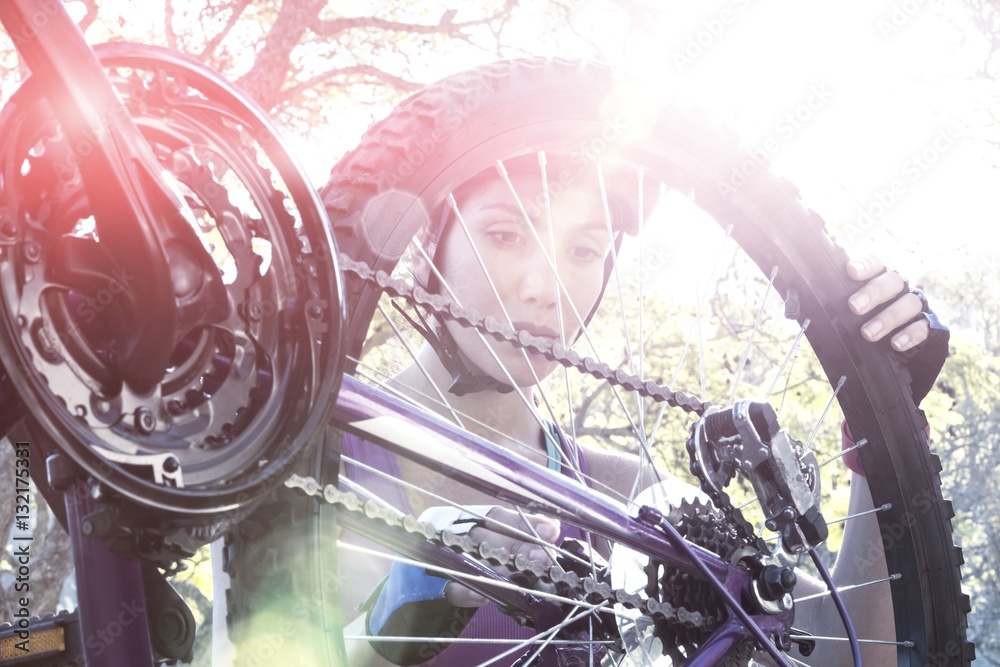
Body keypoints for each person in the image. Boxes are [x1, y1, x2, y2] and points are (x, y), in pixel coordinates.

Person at [336, 153, 948, 667]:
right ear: (426, 248)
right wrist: (398, 608)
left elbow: (854, 646)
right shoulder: (316, 452)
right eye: (504, 234)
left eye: (582, 250)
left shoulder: (620, 492)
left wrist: (886, 424)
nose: (544, 284)